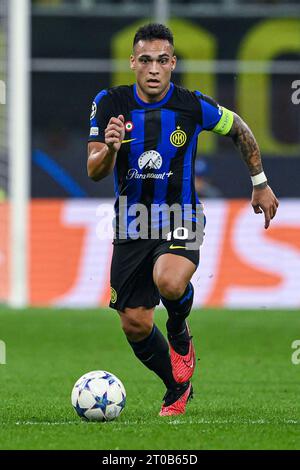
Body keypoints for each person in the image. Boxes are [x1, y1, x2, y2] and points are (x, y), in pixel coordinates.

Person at [87, 23, 279, 416]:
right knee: (135, 324)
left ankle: (178, 327)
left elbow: (238, 128)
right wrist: (108, 149)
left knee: (170, 281)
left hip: (182, 214)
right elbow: (94, 171)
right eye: (145, 60)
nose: (153, 69)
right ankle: (177, 386)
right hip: (132, 223)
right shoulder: (110, 103)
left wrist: (260, 183)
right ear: (132, 63)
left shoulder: (191, 105)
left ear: (173, 63)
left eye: (161, 60)